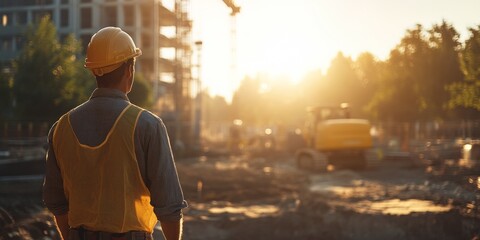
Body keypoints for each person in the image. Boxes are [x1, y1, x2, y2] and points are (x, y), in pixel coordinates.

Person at [43, 27, 187, 240]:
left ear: (93, 71)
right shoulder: (147, 125)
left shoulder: (60, 128)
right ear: (130, 70)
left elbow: (57, 203)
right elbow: (170, 208)